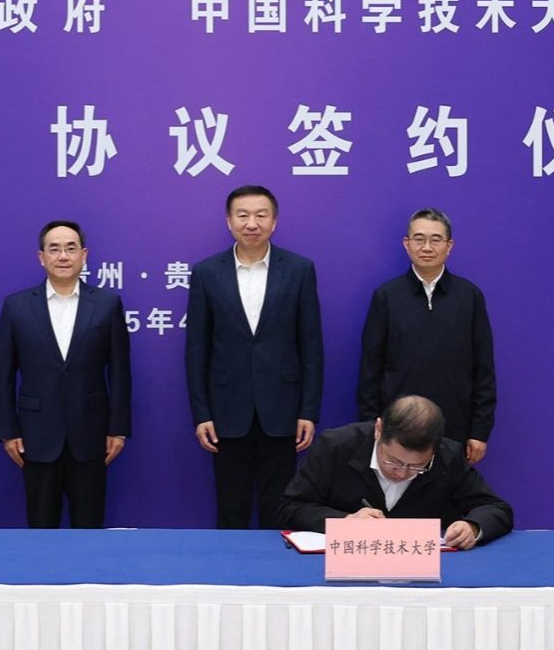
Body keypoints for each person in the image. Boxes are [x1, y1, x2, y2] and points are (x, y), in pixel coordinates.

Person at [185, 185, 323, 529]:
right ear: (229, 221)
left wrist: (308, 410)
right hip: (226, 411)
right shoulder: (206, 273)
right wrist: (202, 413)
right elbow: (197, 349)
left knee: (279, 509)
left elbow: (311, 346)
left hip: (282, 409)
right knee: (231, 507)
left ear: (274, 222)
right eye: (243, 215)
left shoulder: (299, 270)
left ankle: (276, 566)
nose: (252, 223)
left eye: (261, 215)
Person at [0, 221, 132, 528]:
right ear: (41, 257)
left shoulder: (107, 304)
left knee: (89, 529)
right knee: (41, 529)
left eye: (71, 248)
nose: (63, 256)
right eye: (54, 249)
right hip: (36, 436)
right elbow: (3, 375)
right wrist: (8, 431)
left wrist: (118, 429)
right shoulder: (16, 306)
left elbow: (120, 372)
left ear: (84, 255)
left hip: (91, 434)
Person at [278, 395, 511, 549]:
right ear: (378, 430)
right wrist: (345, 521)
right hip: (342, 566)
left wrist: (472, 527)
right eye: (393, 461)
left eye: (417, 466)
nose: (401, 474)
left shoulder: (448, 456)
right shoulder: (337, 446)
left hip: (422, 572)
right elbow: (290, 507)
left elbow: (496, 508)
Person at [357, 208, 496, 464]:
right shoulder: (387, 296)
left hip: (454, 426)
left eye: (436, 239)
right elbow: (370, 369)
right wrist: (370, 425)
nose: (427, 247)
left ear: (449, 246)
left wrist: (480, 430)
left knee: (448, 488)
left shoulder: (469, 297)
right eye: (419, 239)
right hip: (397, 427)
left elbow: (483, 368)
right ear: (406, 244)